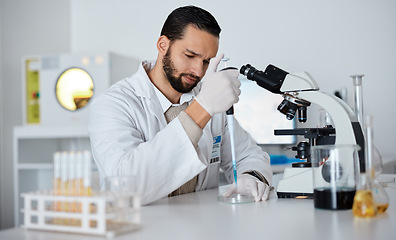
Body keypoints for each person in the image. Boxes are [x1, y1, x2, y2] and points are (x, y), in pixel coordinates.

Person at [88, 5, 272, 205]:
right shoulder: (113, 104)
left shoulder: (207, 97)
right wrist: (202, 108)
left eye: (206, 61)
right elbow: (126, 187)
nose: (198, 71)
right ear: (162, 45)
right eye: (190, 56)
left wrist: (252, 176)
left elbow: (248, 154)